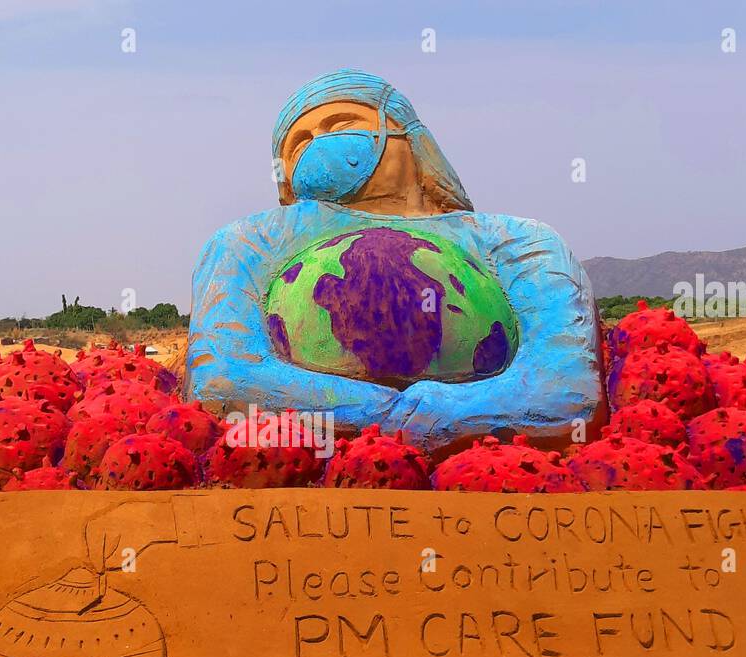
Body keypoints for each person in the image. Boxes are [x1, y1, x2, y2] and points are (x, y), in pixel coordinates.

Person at [186, 68, 605, 454]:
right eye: (297, 143)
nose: (317, 143)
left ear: (408, 136)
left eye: (341, 124)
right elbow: (223, 377)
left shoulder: (516, 239)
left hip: (494, 467)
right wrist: (384, 413)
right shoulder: (248, 241)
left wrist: (451, 410)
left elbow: (566, 387)